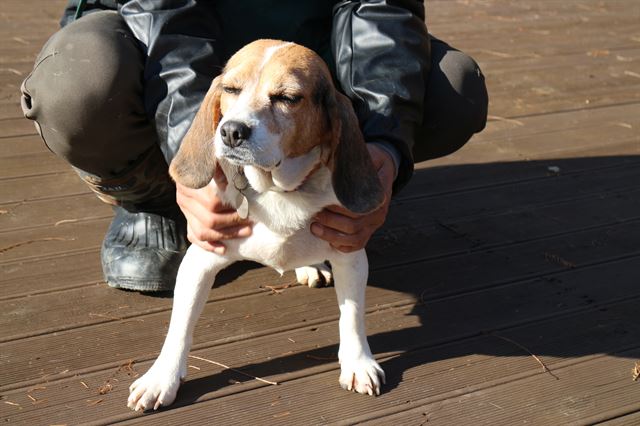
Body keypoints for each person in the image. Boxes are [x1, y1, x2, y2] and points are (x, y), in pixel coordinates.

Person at [20, 0, 488, 292]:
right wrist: (192, 150)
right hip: (155, 44)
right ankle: (155, 202)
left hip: (299, 64)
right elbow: (165, 21)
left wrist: (383, 145)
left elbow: (381, 6)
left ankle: (313, 197)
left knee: (453, 90)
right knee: (77, 85)